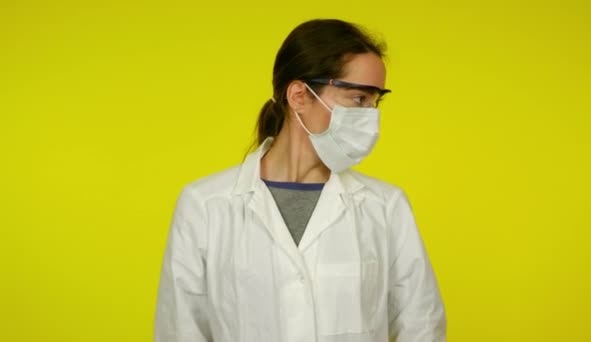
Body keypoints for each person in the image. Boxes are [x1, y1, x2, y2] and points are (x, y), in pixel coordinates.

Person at [154, 18, 446, 342]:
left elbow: (422, 326)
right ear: (299, 96)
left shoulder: (385, 207)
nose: (371, 118)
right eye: (359, 99)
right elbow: (180, 330)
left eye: (376, 102)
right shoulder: (206, 205)